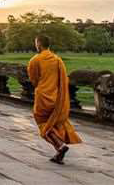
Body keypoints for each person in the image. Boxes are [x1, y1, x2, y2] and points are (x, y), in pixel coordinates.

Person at [28, 35, 82, 164]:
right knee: (54, 122)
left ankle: (60, 145)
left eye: (36, 43)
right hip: (57, 97)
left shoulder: (35, 60)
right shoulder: (57, 60)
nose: (36, 45)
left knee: (43, 123)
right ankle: (59, 152)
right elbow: (63, 80)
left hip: (43, 96)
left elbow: (33, 79)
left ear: (39, 44)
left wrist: (42, 86)